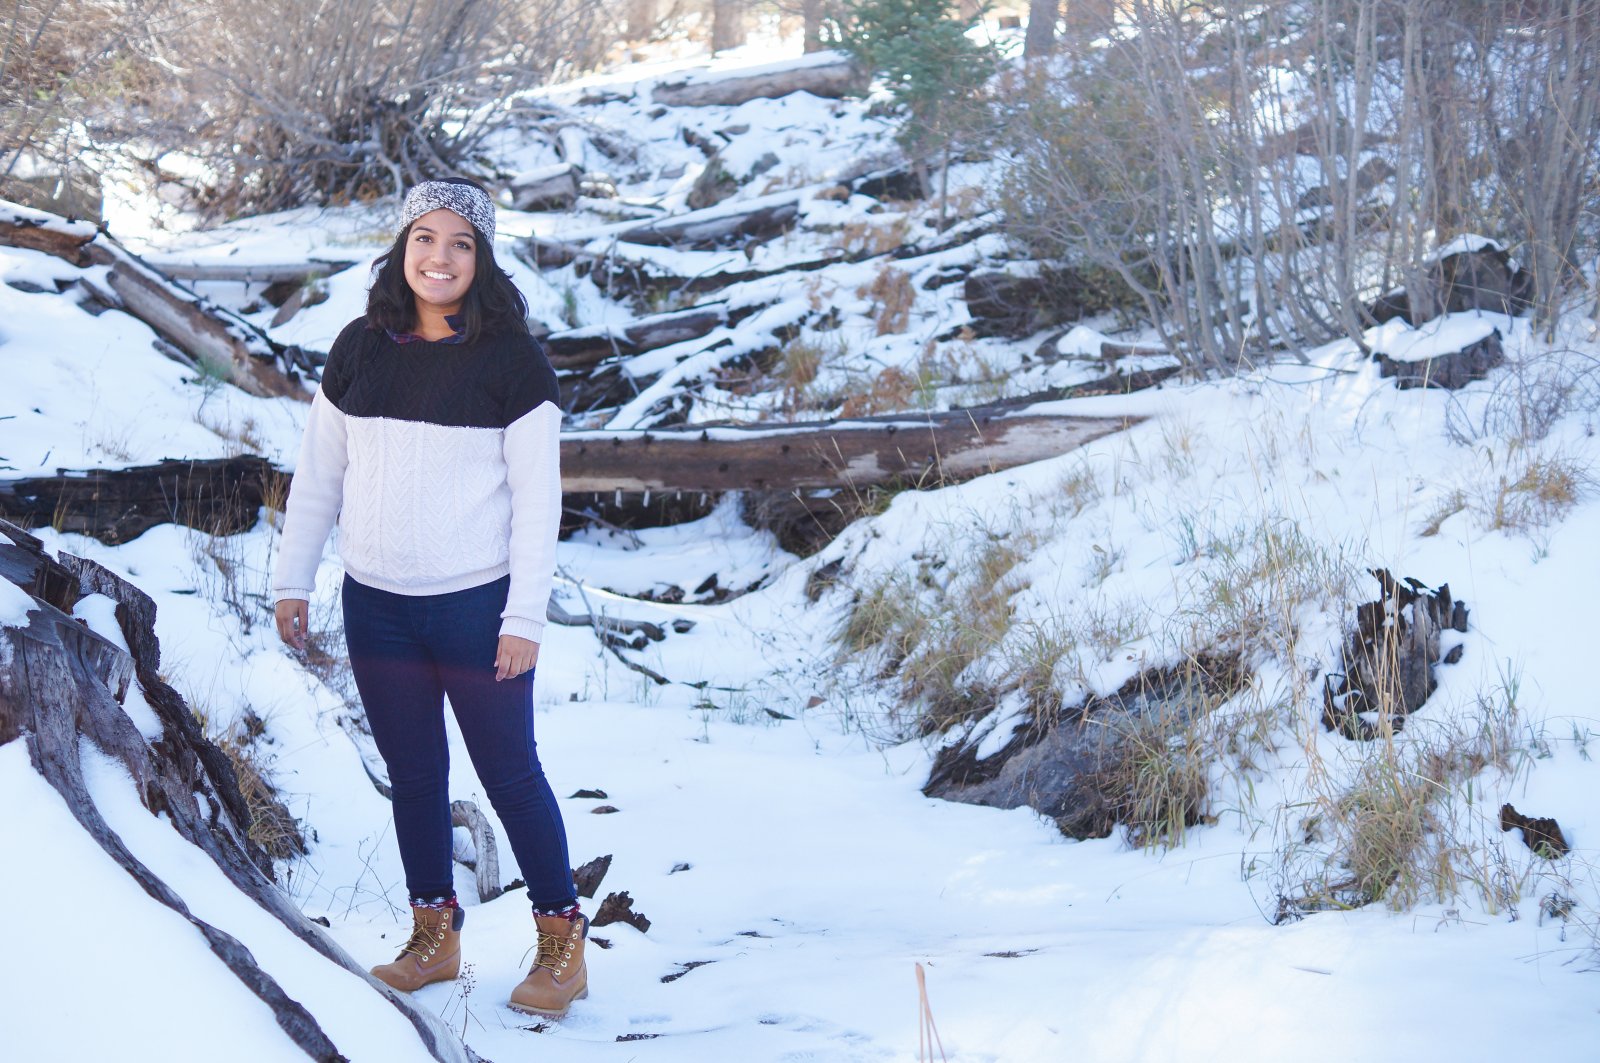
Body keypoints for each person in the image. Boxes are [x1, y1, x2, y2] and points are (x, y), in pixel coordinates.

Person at [271, 177, 586, 1018]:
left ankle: (561, 941)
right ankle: (434, 933)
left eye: (459, 244)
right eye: (424, 239)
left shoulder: (512, 362)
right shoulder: (360, 348)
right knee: (415, 775)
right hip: (376, 605)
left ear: (480, 261)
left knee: (510, 773)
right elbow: (318, 477)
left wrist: (523, 617)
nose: (438, 257)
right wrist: (292, 580)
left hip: (474, 610)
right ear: (401, 247)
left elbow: (537, 506)